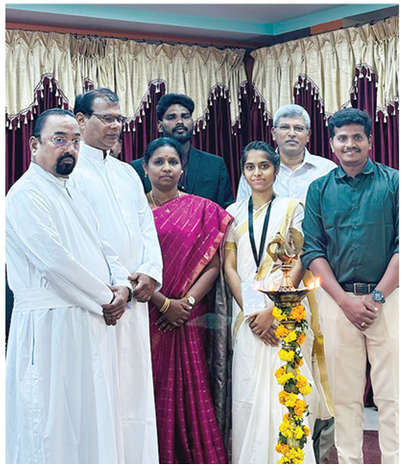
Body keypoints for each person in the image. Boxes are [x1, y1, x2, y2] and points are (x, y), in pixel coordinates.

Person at [6, 109, 132, 463]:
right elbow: (54, 262)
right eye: (59, 140)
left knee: (91, 423)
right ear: (34, 145)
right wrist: (107, 298)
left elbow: (104, 246)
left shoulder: (72, 190)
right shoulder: (25, 195)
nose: (70, 149)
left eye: (75, 141)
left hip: (89, 323)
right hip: (50, 326)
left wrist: (122, 286)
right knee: (51, 427)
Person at [301, 108, 399, 464]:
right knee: (344, 397)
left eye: (358, 137)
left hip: (389, 299)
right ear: (331, 144)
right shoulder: (319, 190)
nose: (350, 144)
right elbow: (312, 251)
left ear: (370, 141)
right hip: (337, 302)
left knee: (393, 395)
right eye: (342, 138)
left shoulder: (394, 183)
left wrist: (377, 296)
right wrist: (345, 301)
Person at [72, 88, 163, 463]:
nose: (115, 126)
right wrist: (115, 288)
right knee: (99, 393)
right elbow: (82, 238)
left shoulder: (127, 173)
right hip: (100, 301)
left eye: (118, 119)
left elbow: (146, 229)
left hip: (136, 300)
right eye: (106, 118)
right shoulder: (70, 171)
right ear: (81, 120)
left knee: (135, 396)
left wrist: (150, 273)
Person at [224, 141, 320, 464]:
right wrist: (255, 312)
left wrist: (274, 309)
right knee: (249, 395)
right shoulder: (232, 214)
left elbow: (299, 258)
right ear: (243, 172)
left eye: (264, 166)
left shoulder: (293, 208)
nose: (257, 173)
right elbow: (229, 268)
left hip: (285, 314)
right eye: (250, 167)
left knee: (285, 394)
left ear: (276, 170)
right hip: (247, 316)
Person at [142, 137, 233, 463]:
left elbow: (213, 265)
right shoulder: (132, 212)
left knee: (191, 386)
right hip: (147, 312)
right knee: (148, 387)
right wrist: (163, 303)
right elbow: (126, 264)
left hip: (189, 315)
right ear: (145, 167)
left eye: (173, 162)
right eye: (159, 162)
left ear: (183, 168)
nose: (166, 168)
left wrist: (185, 304)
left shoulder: (203, 209)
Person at [131, 93, 234, 208]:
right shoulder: (138, 169)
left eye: (185, 116)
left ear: (192, 122)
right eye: (172, 117)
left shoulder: (215, 165)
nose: (180, 121)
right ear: (159, 126)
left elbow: (226, 211)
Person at [236, 104, 337, 203]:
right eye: (285, 127)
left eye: (298, 128)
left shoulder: (327, 170)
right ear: (274, 133)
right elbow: (242, 210)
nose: (292, 133)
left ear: (308, 135)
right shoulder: (255, 172)